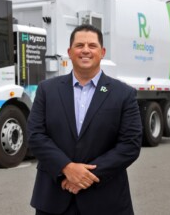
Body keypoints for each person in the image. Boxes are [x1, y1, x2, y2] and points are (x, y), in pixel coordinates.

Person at [27, 24, 142, 215]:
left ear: (102, 52)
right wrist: (66, 168)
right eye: (79, 45)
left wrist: (85, 176)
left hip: (106, 201)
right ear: (70, 52)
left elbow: (130, 145)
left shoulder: (124, 94)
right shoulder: (47, 89)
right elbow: (35, 135)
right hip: (54, 198)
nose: (86, 50)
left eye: (92, 45)